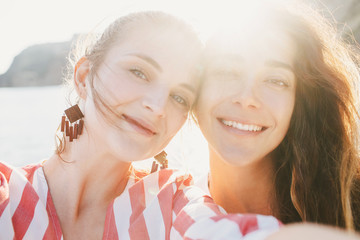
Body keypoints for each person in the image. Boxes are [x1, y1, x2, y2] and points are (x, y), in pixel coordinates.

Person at [0, 11, 282, 239]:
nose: (158, 106)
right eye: (139, 72)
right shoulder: (7, 196)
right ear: (84, 76)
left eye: (179, 97)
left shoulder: (174, 206)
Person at [194, 1, 360, 232]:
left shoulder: (351, 204)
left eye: (276, 80)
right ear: (194, 87)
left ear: (299, 101)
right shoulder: (161, 214)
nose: (247, 97)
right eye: (227, 71)